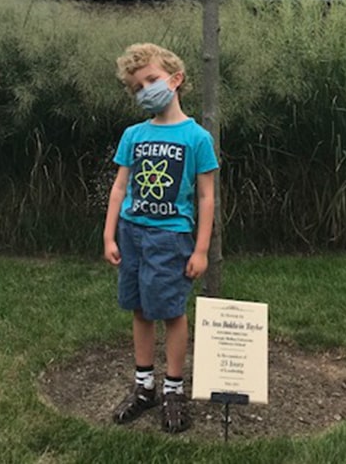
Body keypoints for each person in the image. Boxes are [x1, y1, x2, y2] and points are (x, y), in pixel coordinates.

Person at [103, 42, 219, 434]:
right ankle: (143, 386)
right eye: (137, 87)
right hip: (132, 233)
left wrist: (201, 248)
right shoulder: (133, 134)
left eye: (151, 80)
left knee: (170, 311)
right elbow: (120, 188)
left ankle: (173, 389)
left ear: (175, 79)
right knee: (139, 308)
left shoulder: (197, 137)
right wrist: (109, 235)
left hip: (172, 239)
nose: (145, 90)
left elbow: (205, 196)